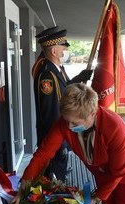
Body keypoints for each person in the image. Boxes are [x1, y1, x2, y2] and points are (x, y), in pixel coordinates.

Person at [32, 26, 92, 181]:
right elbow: (51, 110)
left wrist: (79, 78)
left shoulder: (56, 69)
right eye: (63, 47)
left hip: (59, 132)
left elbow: (64, 88)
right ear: (53, 51)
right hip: (53, 133)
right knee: (54, 177)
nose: (65, 50)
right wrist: (61, 136)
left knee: (60, 168)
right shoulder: (48, 75)